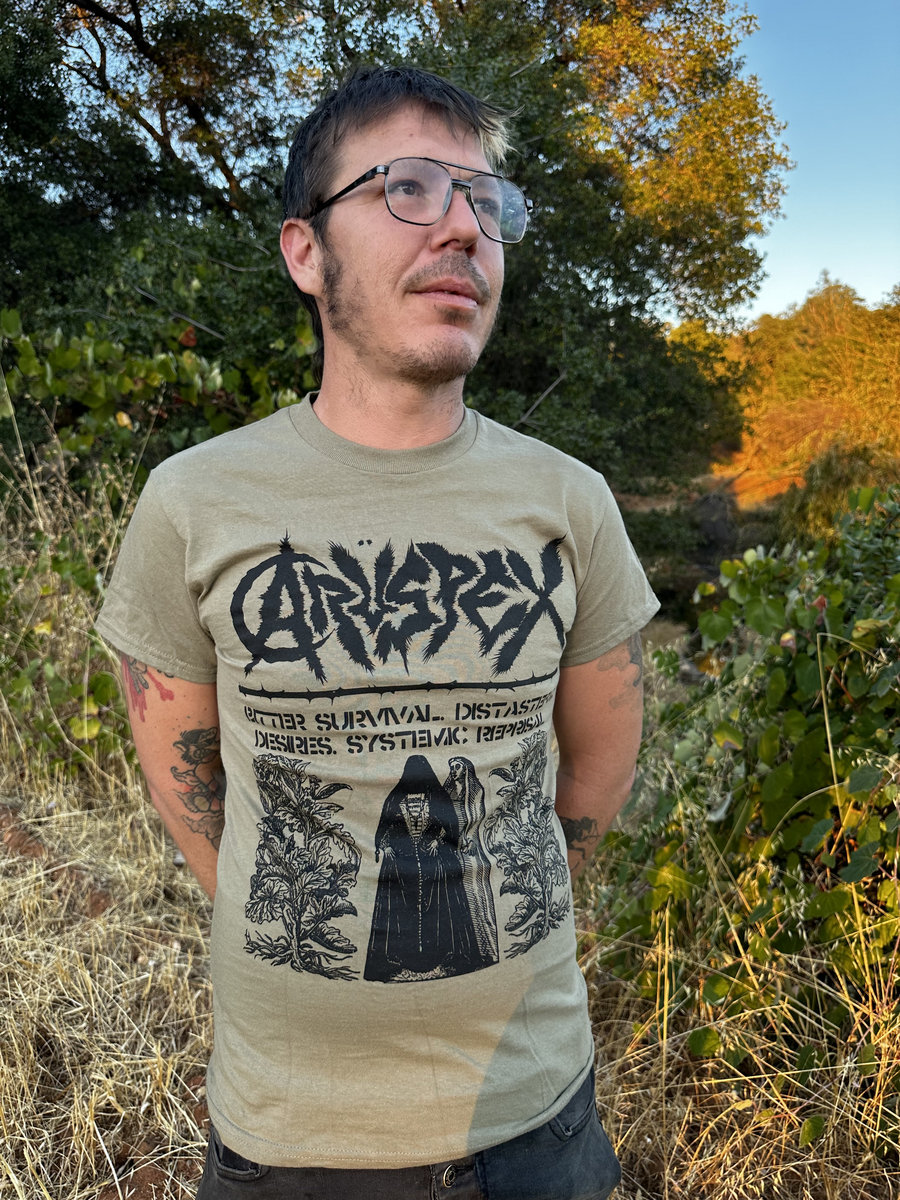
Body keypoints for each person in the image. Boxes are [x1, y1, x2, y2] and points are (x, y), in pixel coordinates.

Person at [96, 64, 659, 1200]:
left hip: (535, 1124)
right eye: (408, 187)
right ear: (306, 252)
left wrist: (508, 895)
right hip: (290, 1139)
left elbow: (599, 767)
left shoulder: (570, 499)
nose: (463, 227)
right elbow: (188, 782)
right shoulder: (194, 501)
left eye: (485, 199)